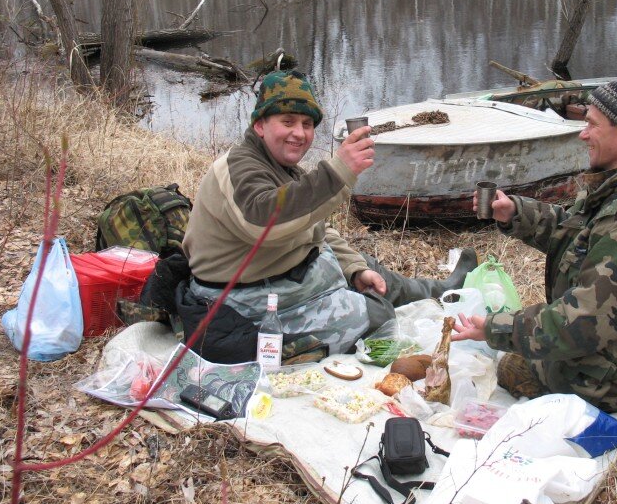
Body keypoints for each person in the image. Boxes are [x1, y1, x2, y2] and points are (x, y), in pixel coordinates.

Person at [180, 70, 477, 363]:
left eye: (307, 124)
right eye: (287, 122)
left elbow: (317, 229)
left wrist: (354, 269)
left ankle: (442, 291)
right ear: (260, 125)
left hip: (283, 275)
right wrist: (338, 171)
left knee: (368, 270)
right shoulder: (240, 167)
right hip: (243, 302)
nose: (299, 133)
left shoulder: (277, 164)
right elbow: (264, 223)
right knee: (379, 316)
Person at [452, 79, 617, 412]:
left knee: (510, 368)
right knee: (520, 346)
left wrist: (495, 328)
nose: (582, 134)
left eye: (591, 124)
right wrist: (517, 213)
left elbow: (581, 323)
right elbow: (578, 235)